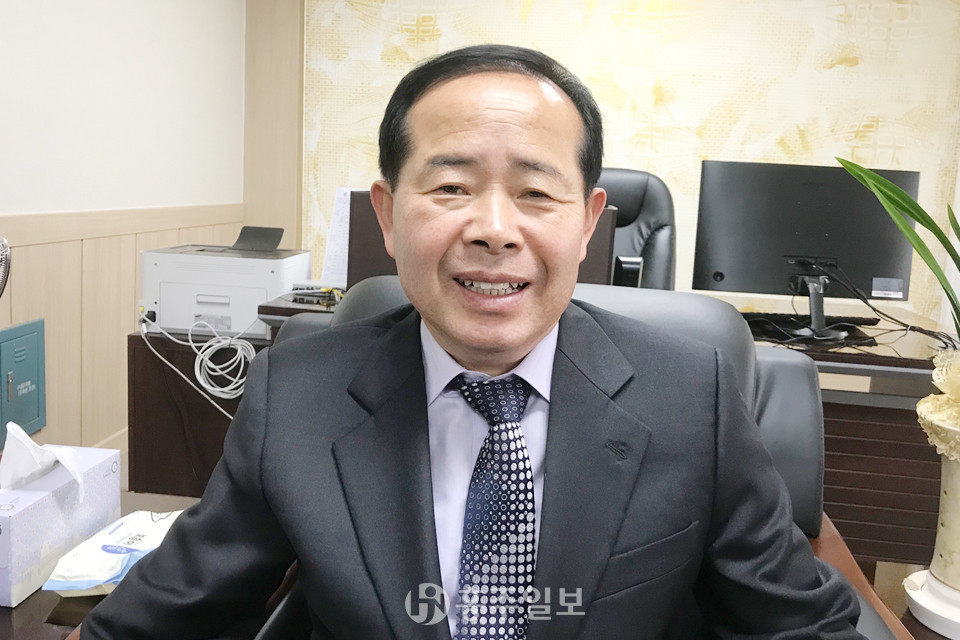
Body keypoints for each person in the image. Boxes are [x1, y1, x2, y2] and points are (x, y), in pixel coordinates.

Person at [76, 44, 866, 639]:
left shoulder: (691, 396)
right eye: (451, 187)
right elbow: (165, 615)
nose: (493, 229)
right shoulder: (296, 396)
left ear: (588, 223)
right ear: (388, 215)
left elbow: (803, 624)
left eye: (535, 192)